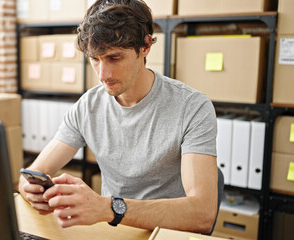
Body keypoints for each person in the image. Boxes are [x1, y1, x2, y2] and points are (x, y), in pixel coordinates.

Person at [19, 0, 218, 234]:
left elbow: (202, 214)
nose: (103, 75)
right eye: (95, 59)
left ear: (145, 46)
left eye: (114, 58)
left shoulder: (192, 107)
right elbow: (33, 174)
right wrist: (30, 189)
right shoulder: (88, 106)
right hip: (113, 229)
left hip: (165, 232)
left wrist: (109, 208)